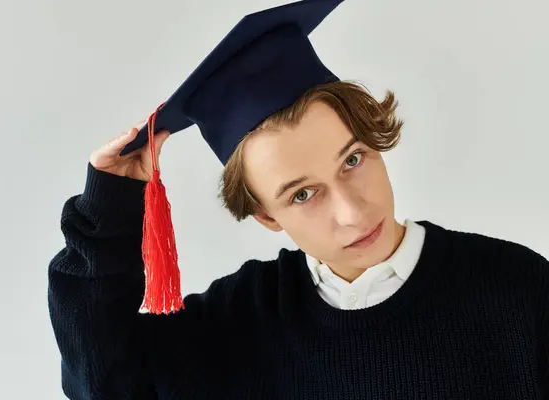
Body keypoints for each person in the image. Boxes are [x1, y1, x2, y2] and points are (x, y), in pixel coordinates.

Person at [47, 0, 549, 398]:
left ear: (375, 142)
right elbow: (103, 383)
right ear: (266, 215)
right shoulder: (239, 321)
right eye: (303, 194)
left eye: (352, 160)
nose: (353, 214)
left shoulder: (517, 290)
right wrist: (108, 211)